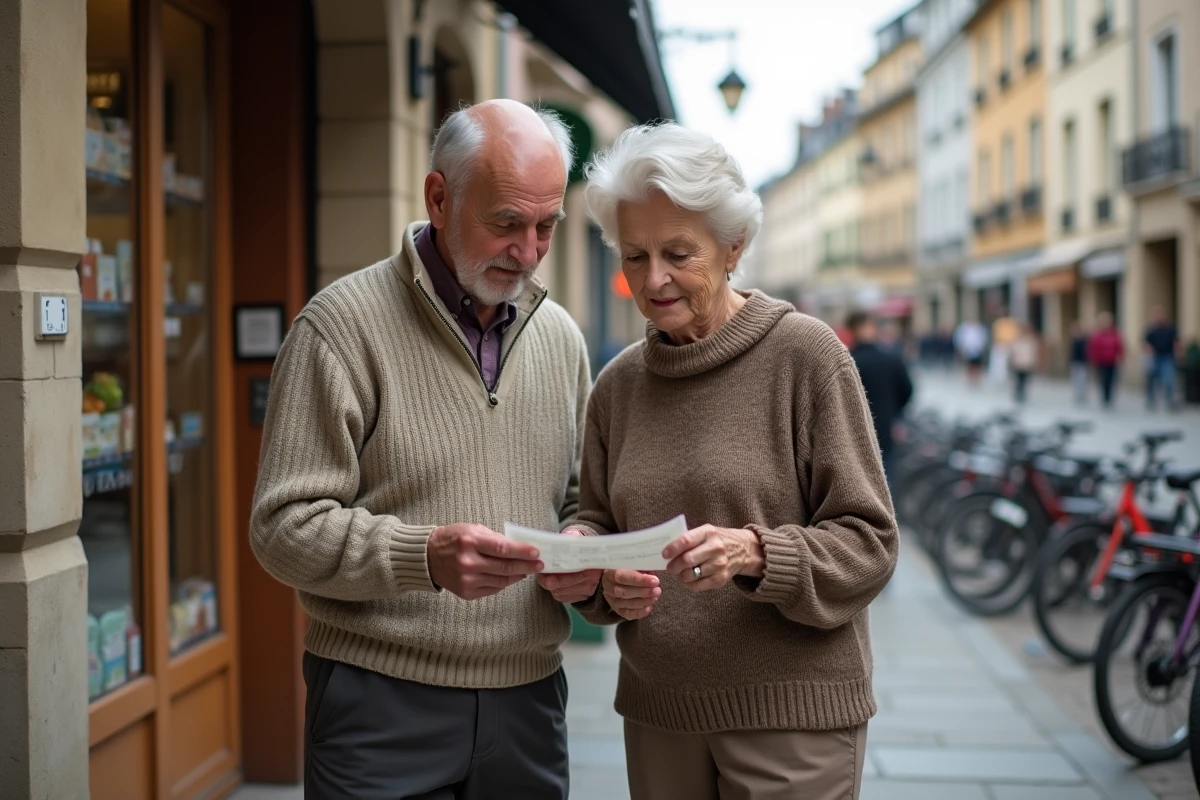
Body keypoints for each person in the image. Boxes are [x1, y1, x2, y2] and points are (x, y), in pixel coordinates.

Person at [249, 101, 602, 799]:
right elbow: (281, 530)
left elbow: (578, 497)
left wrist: (584, 543)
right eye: (506, 223)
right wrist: (423, 557)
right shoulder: (338, 327)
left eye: (546, 227)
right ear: (439, 198)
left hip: (529, 702)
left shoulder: (560, 335)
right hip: (378, 704)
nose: (528, 252)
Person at [572, 123, 899, 800]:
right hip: (660, 715)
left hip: (792, 722)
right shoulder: (619, 385)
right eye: (634, 256)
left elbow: (870, 544)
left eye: (678, 253)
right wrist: (599, 571)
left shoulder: (805, 356)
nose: (653, 278)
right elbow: (597, 523)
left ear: (734, 247)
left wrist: (755, 553)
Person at [846, 310, 913, 491]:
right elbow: (908, 390)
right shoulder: (891, 358)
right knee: (885, 482)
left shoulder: (846, 361)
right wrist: (894, 413)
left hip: (853, 432)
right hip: (885, 428)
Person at [1144, 305, 1180, 410]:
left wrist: (1178, 353)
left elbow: (1176, 342)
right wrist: (1148, 354)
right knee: (1152, 380)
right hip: (1154, 357)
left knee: (1168, 379)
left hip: (1167, 357)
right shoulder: (1151, 330)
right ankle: (1151, 400)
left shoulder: (1170, 329)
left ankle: (1170, 401)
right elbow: (1146, 344)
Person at [1088, 311, 1124, 409]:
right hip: (1101, 362)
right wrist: (1093, 359)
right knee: (1103, 379)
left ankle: (1109, 397)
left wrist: (1120, 356)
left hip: (1112, 361)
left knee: (1111, 379)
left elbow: (1119, 346)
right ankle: (1105, 397)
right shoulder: (1097, 335)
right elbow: (1093, 348)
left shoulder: (1114, 334)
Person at [1010, 323, 1040, 404]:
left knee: (1025, 381)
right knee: (1018, 380)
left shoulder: (1031, 341)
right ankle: (1018, 394)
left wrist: (1033, 362)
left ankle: (1022, 394)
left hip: (1027, 364)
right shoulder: (1018, 341)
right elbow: (1013, 352)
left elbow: (1033, 353)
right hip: (1019, 364)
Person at [954, 318, 989, 385]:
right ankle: (970, 380)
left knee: (977, 366)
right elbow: (960, 339)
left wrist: (981, 348)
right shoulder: (964, 329)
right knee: (969, 366)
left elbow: (983, 339)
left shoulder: (980, 329)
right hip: (968, 350)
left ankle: (977, 380)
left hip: (977, 350)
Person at [1069, 322, 1089, 405]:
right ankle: (1077, 394)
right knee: (1075, 380)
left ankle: (1082, 394)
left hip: (1082, 362)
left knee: (1082, 379)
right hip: (1074, 362)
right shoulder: (1073, 340)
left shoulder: (1084, 340)